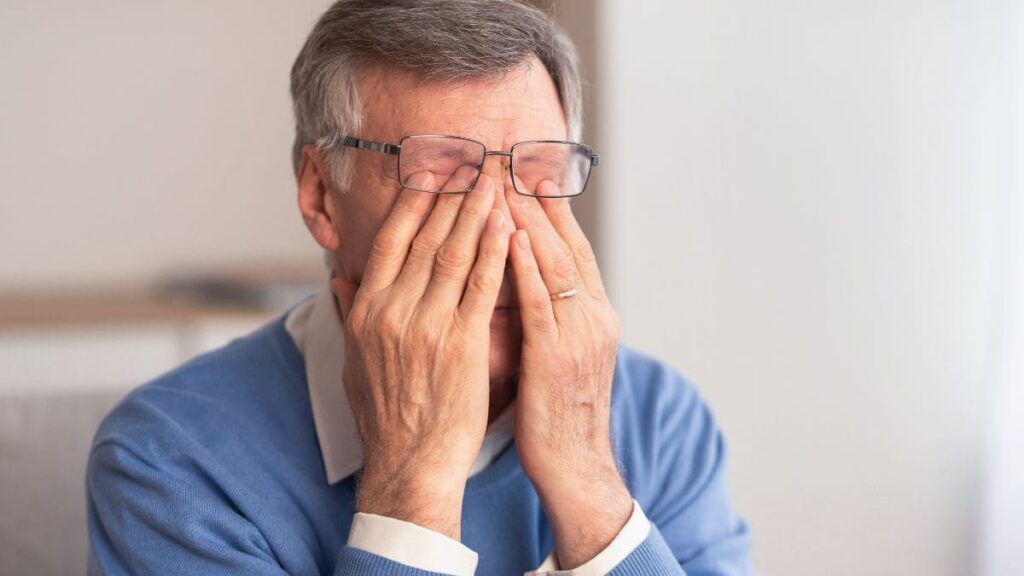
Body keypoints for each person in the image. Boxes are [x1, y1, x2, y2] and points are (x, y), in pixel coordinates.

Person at [86, 1, 752, 574]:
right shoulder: (169, 462)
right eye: (441, 173)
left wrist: (588, 480)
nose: (499, 225)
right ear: (322, 196)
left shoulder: (663, 423)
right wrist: (414, 484)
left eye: (541, 173)